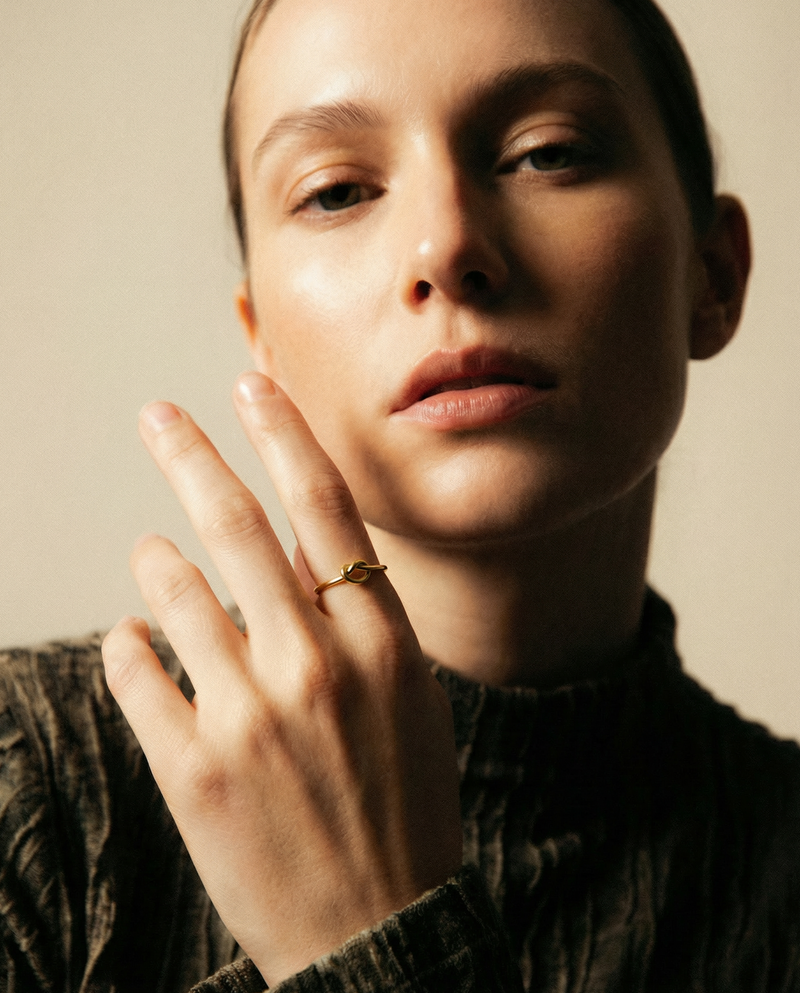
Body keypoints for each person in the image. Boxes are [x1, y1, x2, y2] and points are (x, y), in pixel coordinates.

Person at [1, 0, 798, 989]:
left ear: (712, 275)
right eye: (335, 191)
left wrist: (368, 936)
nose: (445, 248)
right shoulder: (31, 782)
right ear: (262, 335)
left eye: (545, 154)